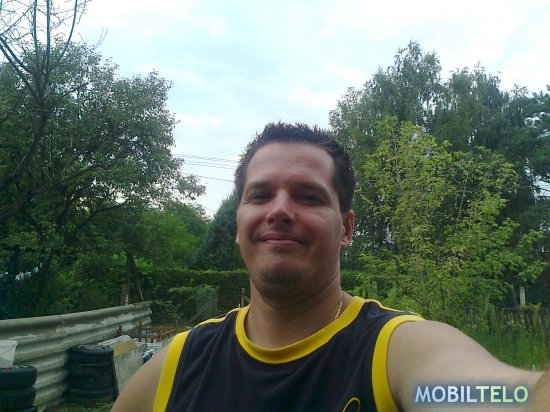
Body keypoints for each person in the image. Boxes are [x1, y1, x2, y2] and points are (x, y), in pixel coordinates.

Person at [112, 123, 548, 411]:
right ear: (239, 224)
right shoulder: (177, 364)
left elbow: (513, 399)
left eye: (308, 196)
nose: (279, 210)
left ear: (346, 228)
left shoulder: (394, 354)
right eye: (260, 195)